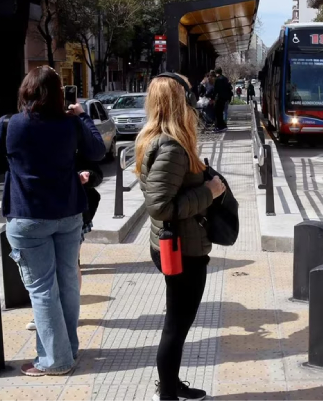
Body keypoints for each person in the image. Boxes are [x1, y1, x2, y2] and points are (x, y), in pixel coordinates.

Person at [0, 66, 106, 376]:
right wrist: (81, 115)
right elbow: (96, 150)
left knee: (42, 290)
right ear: (57, 94)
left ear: (25, 92)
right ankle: (68, 350)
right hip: (68, 214)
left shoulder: (9, 124)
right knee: (67, 284)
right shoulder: (69, 124)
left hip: (28, 216)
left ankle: (55, 360)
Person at [135, 73, 226, 401]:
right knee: (176, 326)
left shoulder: (157, 138)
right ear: (176, 103)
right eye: (184, 97)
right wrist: (209, 191)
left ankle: (171, 385)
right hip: (181, 249)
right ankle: (168, 394)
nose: (190, 102)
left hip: (175, 244)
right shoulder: (171, 146)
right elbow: (159, 206)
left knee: (178, 323)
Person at [26, 154, 103, 331]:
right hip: (40, 210)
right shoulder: (31, 130)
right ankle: (46, 314)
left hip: (73, 211)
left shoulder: (76, 129)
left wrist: (86, 175)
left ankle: (70, 315)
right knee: (46, 268)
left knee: (70, 266)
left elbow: (95, 166)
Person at [213, 67, 232, 132]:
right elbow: (229, 88)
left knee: (218, 113)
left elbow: (215, 90)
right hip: (225, 98)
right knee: (221, 112)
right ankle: (223, 125)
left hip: (219, 98)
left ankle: (220, 126)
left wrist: (212, 98)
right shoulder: (225, 79)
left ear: (216, 73)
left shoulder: (217, 80)